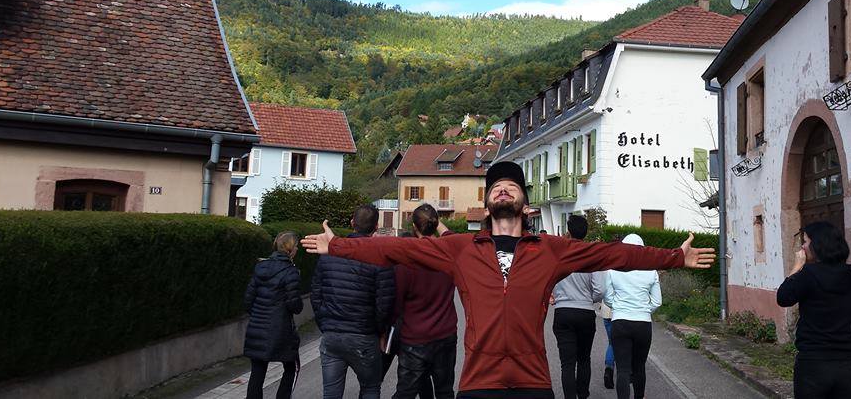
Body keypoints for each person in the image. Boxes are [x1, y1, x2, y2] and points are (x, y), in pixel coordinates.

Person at [302, 161, 715, 398]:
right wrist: (338, 246)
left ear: (525, 205)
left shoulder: (551, 249)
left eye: (511, 186)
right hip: (478, 382)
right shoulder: (460, 248)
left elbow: (613, 254)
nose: (502, 190)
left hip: (533, 381)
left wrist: (674, 257)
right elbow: (394, 250)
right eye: (496, 187)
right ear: (486, 205)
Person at [312, 204, 395, 399]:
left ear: (352, 223)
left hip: (332, 334)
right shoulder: (381, 258)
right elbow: (385, 303)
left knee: (331, 393)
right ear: (376, 226)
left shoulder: (329, 254)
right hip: (364, 335)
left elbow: (316, 294)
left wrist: (325, 323)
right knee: (370, 388)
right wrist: (379, 330)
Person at [777, 221, 851, 399]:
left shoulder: (808, 275)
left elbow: (783, 298)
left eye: (805, 241)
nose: (802, 246)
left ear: (818, 244)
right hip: (845, 360)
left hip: (813, 360)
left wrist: (796, 267)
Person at [392, 203, 458, 399]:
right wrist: (438, 224)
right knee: (445, 391)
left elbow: (397, 302)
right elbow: (452, 237)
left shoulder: (407, 259)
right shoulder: (449, 253)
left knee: (406, 392)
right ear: (436, 224)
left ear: (414, 226)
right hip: (445, 334)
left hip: (414, 337)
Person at [550, 214, 606, 399]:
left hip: (563, 311)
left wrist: (556, 295)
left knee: (567, 363)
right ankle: (583, 395)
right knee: (583, 359)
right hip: (585, 312)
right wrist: (590, 299)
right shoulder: (592, 255)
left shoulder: (559, 255)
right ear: (586, 232)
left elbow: (550, 279)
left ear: (568, 231)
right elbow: (600, 289)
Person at [243, 232, 303, 399]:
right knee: (291, 367)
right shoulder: (290, 272)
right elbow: (294, 305)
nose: (297, 249)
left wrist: (258, 315)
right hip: (280, 329)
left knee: (257, 371)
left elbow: (248, 300)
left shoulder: (260, 267)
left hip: (256, 327)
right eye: (296, 246)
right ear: (291, 249)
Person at [605, 234, 661, 399]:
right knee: (639, 367)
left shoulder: (613, 268)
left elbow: (607, 296)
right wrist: (644, 310)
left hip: (620, 321)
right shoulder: (651, 270)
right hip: (643, 324)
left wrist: (618, 308)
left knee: (622, 369)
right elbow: (657, 301)